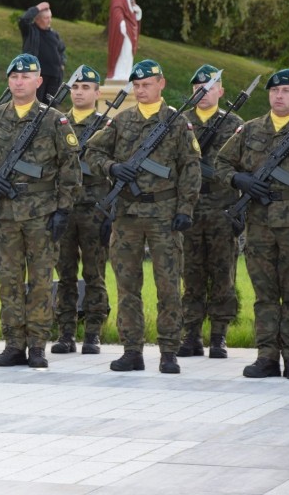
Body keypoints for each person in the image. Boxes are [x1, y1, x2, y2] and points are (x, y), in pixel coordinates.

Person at [0, 53, 80, 369]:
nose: (19, 81)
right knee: (9, 282)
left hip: (41, 214)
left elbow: (70, 167)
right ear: (8, 81)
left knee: (40, 282)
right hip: (7, 214)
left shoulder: (54, 120)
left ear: (38, 81)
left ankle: (37, 345)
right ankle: (14, 344)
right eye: (14, 76)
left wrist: (63, 210)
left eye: (26, 77)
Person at [85, 59, 201, 374]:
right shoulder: (122, 121)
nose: (141, 90)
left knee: (167, 286)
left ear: (161, 84)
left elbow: (191, 167)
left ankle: (168, 352)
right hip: (126, 216)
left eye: (146, 85)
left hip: (164, 214)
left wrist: (185, 209)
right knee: (127, 286)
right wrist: (113, 168)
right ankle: (132, 351)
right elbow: (91, 153)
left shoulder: (177, 123)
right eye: (136, 86)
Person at [216, 68, 289, 380]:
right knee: (265, 293)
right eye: (275, 91)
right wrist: (241, 179)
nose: (279, 96)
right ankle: (267, 356)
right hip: (260, 223)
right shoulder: (250, 130)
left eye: (287, 91)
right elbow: (221, 163)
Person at [178, 65, 243, 359]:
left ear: (221, 91)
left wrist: (241, 209)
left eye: (209, 87)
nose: (202, 93)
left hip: (221, 208)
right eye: (197, 88)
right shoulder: (179, 123)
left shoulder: (235, 125)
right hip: (189, 209)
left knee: (222, 274)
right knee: (189, 274)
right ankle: (190, 335)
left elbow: (245, 169)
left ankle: (219, 336)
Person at [51, 64, 111, 355]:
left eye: (85, 87)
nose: (79, 92)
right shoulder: (57, 123)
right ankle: (65, 333)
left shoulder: (107, 126)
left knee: (94, 273)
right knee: (64, 273)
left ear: (97, 93)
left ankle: (93, 333)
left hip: (94, 209)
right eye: (75, 87)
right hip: (63, 208)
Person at [18, 2, 67, 103]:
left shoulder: (54, 34)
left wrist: (62, 63)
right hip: (38, 75)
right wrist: (38, 8)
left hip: (54, 76)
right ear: (37, 19)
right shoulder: (30, 31)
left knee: (51, 107)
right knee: (36, 105)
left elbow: (62, 50)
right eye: (46, 18)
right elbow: (23, 20)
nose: (50, 20)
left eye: (50, 17)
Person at [107, 0, 142, 82]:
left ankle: (126, 74)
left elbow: (132, 13)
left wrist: (138, 12)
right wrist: (121, 22)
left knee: (129, 52)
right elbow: (116, 9)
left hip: (131, 30)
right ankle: (118, 74)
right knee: (122, 50)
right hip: (123, 30)